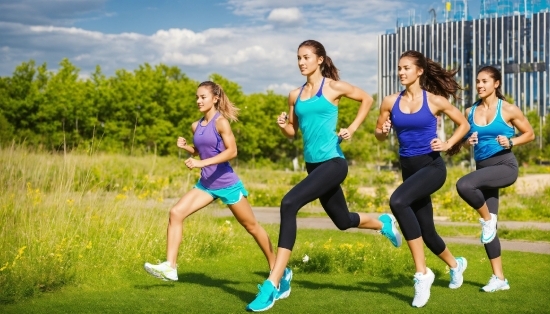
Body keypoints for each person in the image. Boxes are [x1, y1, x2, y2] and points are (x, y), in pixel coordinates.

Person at [246, 39, 402, 312]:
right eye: (298, 58)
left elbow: (367, 98)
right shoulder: (295, 95)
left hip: (333, 162)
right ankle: (383, 223)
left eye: (306, 57)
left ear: (320, 59)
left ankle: (275, 282)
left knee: (288, 203)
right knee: (342, 221)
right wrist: (283, 126)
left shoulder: (333, 87)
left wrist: (352, 128)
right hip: (313, 166)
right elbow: (294, 132)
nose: (301, 62)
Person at [144, 81, 276, 281]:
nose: (198, 101)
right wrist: (187, 147)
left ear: (215, 99)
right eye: (197, 97)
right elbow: (202, 149)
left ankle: (276, 266)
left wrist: (200, 163)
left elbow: (232, 151)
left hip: (227, 184)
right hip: (206, 185)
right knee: (176, 213)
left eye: (203, 97)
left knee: (251, 226)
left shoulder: (221, 122)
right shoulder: (196, 125)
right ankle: (170, 266)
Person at [375, 50, 470, 308]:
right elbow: (378, 133)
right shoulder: (389, 101)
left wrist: (448, 142)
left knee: (398, 201)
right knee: (427, 231)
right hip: (409, 169)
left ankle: (422, 274)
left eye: (406, 68)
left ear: (419, 71)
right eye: (399, 68)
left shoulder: (435, 101)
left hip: (432, 167)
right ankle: (455, 264)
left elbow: (463, 124)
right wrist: (383, 131)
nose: (401, 72)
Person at [454, 66, 534, 292]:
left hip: (504, 166)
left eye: (485, 81)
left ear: (496, 84)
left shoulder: (508, 109)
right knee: (489, 232)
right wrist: (467, 141)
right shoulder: (470, 111)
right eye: (478, 81)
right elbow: (461, 137)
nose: (479, 85)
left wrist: (512, 142)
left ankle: (487, 220)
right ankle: (499, 278)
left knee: (464, 184)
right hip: (483, 170)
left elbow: (530, 134)